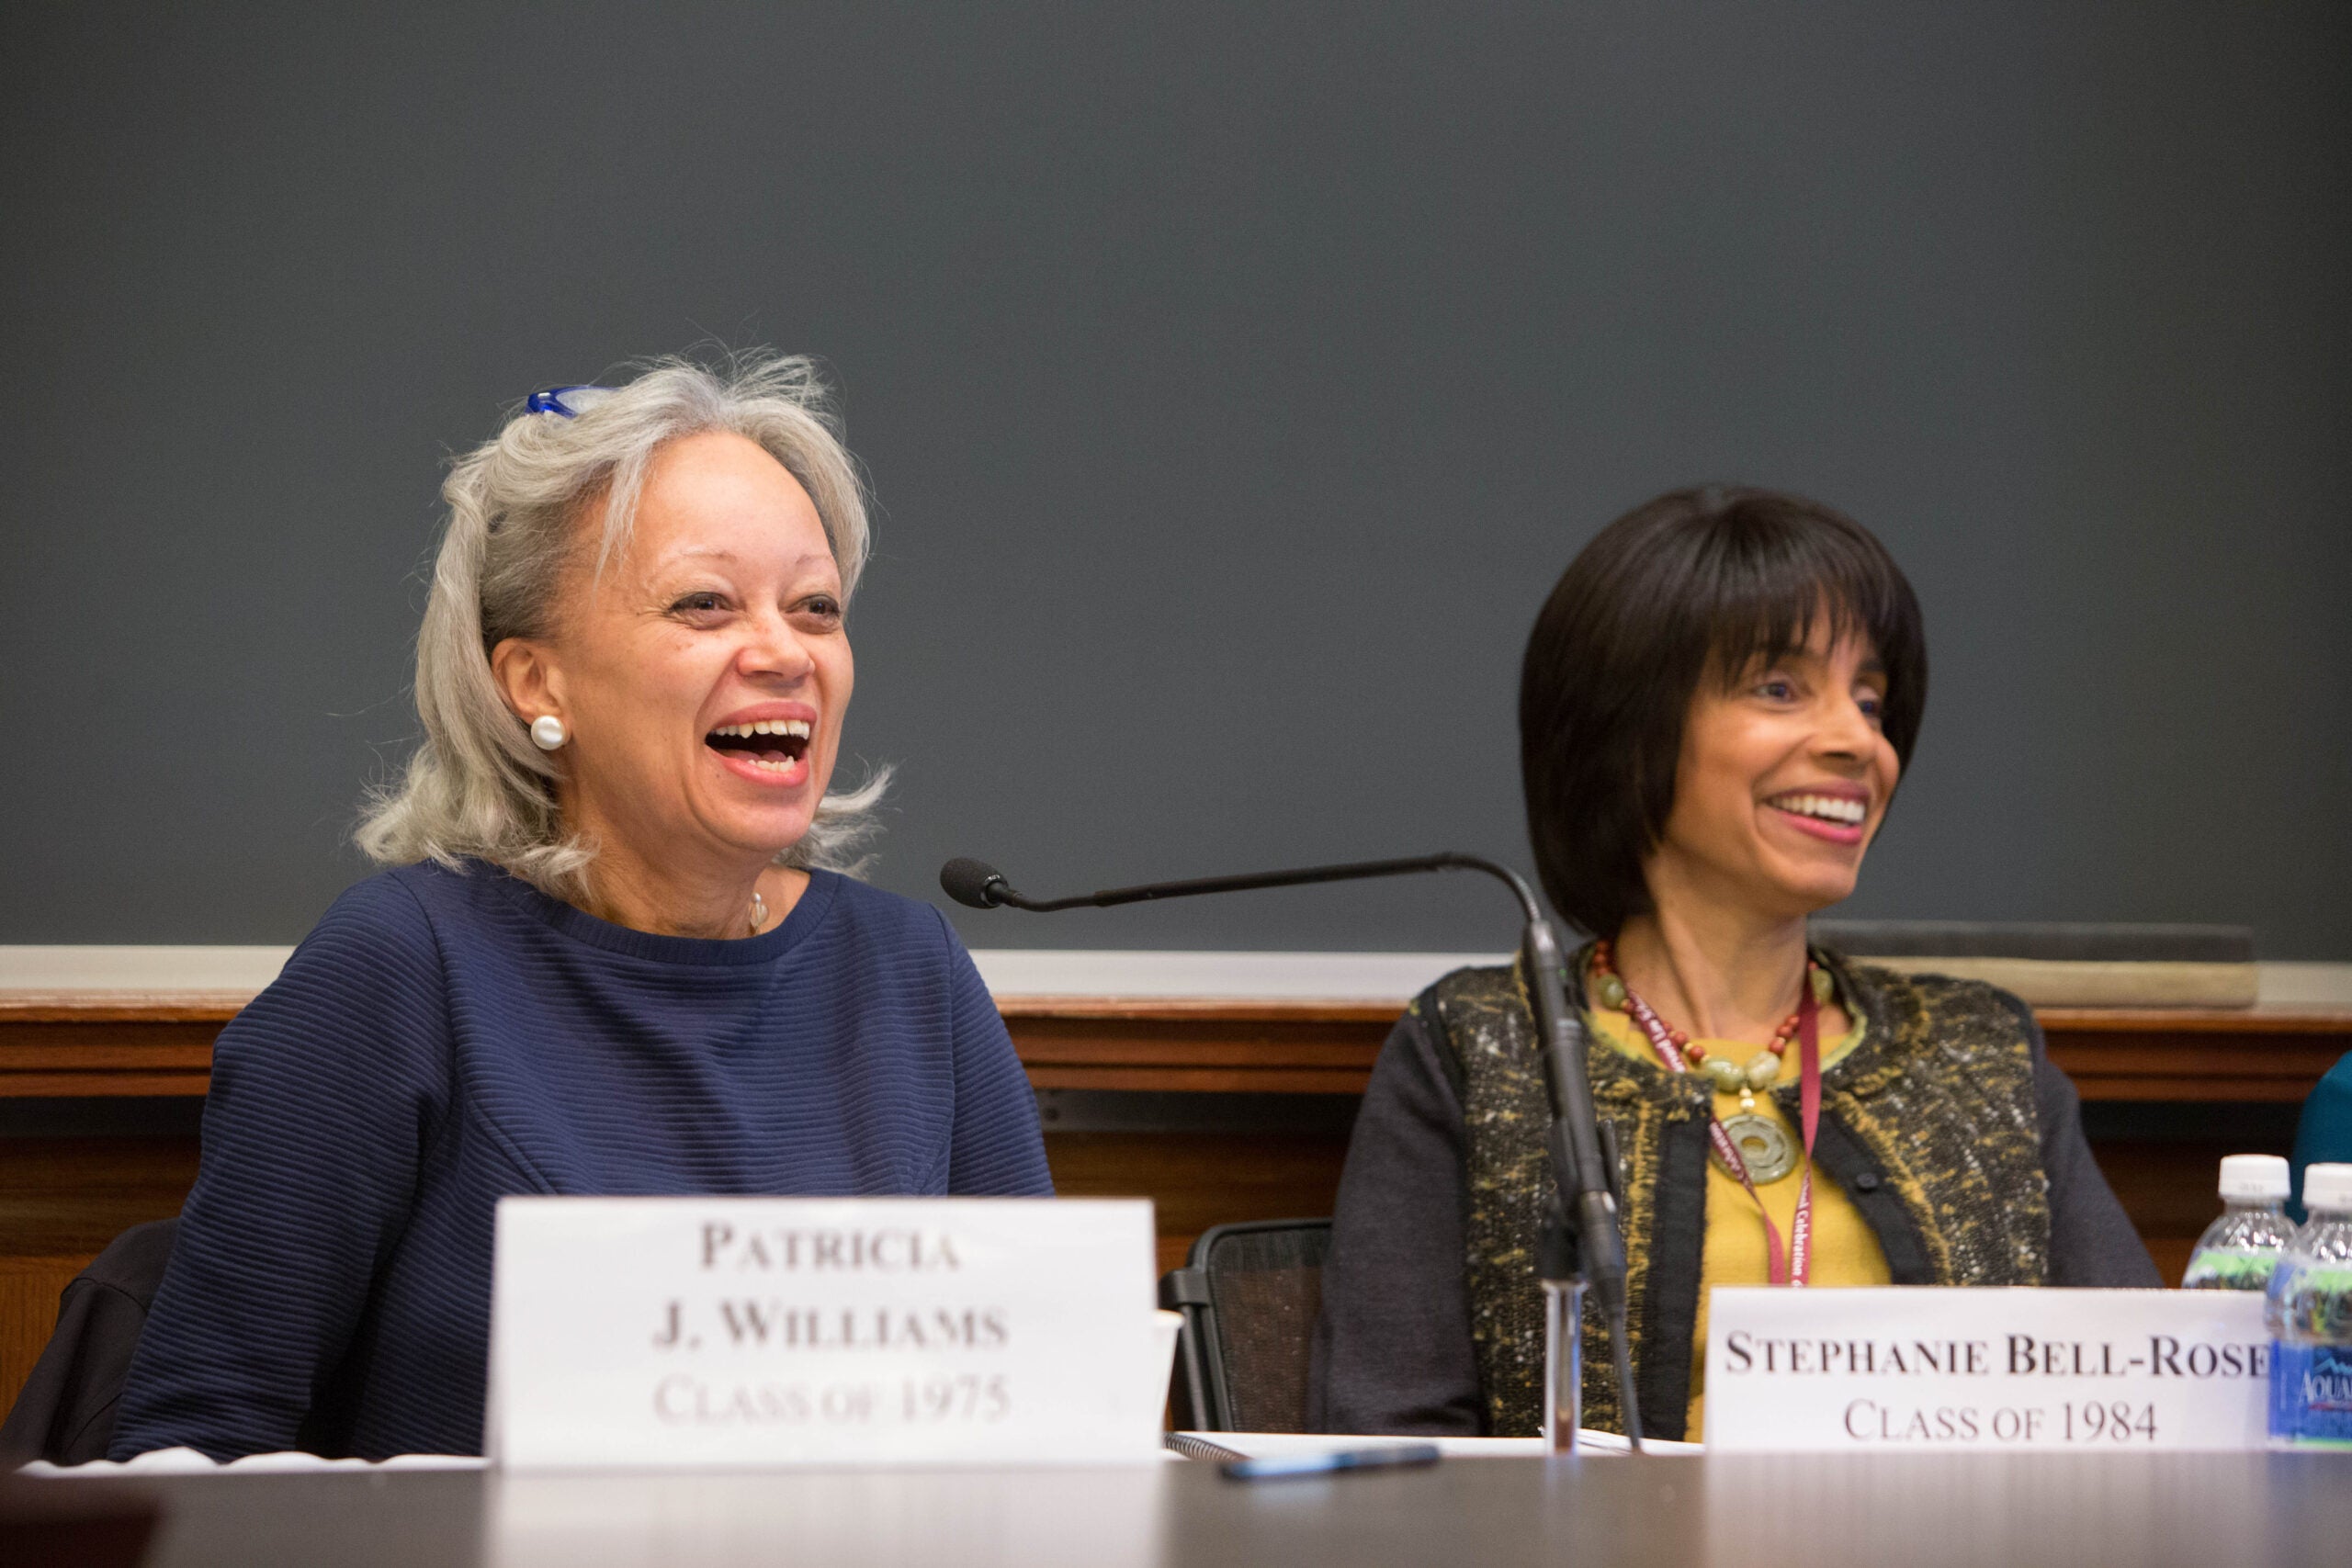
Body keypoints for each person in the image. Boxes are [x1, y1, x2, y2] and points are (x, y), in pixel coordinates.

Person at [110, 356, 1052, 1461]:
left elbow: (1041, 1410)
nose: (783, 653)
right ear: (533, 682)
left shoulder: (909, 971)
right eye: (705, 604)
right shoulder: (403, 968)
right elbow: (191, 1449)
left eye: (815, 608)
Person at [1309, 485, 2157, 1442]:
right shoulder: (1481, 1048)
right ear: (1629, 734)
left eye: (1871, 700)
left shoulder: (1977, 1051)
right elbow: (1385, 1441)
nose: (1856, 742)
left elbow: (2150, 1408)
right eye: (1780, 688)